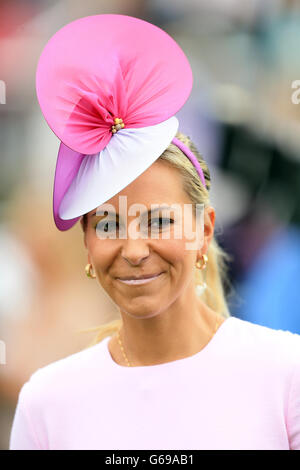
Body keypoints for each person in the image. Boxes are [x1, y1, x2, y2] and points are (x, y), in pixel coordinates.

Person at [9, 14, 300, 450]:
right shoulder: (46, 405)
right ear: (87, 245)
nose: (134, 249)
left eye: (159, 220)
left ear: (204, 230)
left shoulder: (285, 375)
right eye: (108, 223)